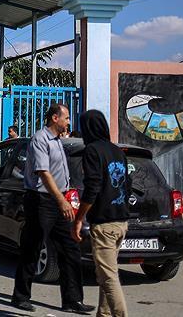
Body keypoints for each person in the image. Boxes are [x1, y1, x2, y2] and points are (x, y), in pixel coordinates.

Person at [12, 103, 94, 315]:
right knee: (33, 247)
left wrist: (64, 199)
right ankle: (21, 296)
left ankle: (72, 300)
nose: (69, 122)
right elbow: (44, 173)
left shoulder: (58, 141)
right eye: (66, 118)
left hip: (59, 201)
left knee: (70, 248)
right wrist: (61, 201)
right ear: (54, 118)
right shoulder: (40, 139)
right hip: (41, 200)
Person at [72, 110, 131, 317]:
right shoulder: (117, 151)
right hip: (121, 221)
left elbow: (92, 187)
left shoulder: (92, 151)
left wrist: (79, 218)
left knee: (108, 277)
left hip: (104, 224)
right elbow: (127, 184)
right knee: (107, 274)